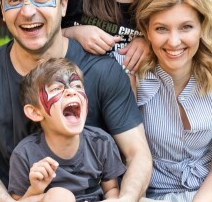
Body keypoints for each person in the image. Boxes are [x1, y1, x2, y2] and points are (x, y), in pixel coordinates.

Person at [0, 0, 152, 202]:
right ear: (3, 11)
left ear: (63, 6)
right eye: (14, 1)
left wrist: (123, 199)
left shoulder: (102, 70)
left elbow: (138, 154)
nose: (28, 12)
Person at [131, 0, 212, 201]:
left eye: (186, 27)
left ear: (202, 26)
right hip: (155, 191)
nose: (174, 42)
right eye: (161, 28)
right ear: (146, 30)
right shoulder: (134, 78)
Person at [9, 58, 126, 201]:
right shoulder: (25, 154)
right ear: (35, 112)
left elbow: (112, 189)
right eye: (56, 89)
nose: (71, 91)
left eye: (77, 86)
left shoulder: (101, 142)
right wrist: (35, 189)